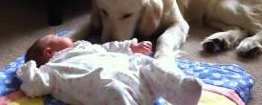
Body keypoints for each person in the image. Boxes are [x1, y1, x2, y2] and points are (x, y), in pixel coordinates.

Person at [17, 35, 203, 105]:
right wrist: (28, 69)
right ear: (49, 51)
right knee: (111, 90)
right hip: (120, 92)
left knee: (150, 64)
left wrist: (131, 47)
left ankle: (182, 92)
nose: (67, 37)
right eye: (58, 37)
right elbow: (33, 85)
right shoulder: (51, 69)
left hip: (140, 78)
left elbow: (108, 47)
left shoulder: (83, 45)